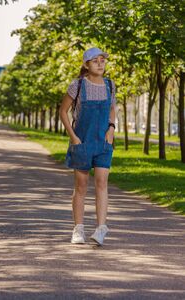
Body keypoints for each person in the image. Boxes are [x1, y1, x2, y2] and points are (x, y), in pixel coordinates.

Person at [59, 47, 117, 246]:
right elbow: (63, 111)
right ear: (86, 65)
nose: (100, 63)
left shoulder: (110, 85)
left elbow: (112, 109)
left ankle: (101, 229)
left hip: (103, 143)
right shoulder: (77, 85)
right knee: (81, 186)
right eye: (95, 60)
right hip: (82, 142)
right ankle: (78, 229)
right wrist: (73, 137)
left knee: (102, 183)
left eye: (102, 60)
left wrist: (111, 129)